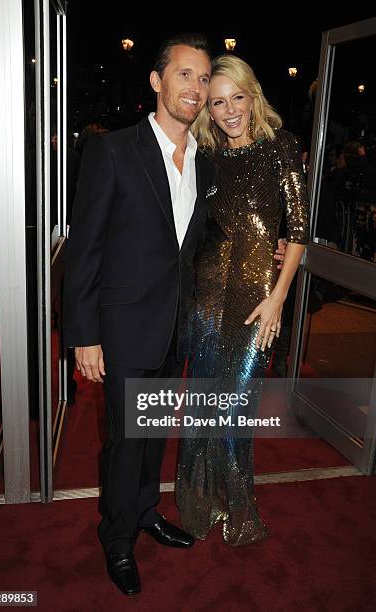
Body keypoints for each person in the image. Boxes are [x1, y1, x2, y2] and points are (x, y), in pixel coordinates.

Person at [63, 34, 213, 596]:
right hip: (122, 328)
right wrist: (84, 334)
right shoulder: (114, 150)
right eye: (184, 75)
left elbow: (195, 245)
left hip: (173, 327)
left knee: (152, 435)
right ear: (157, 81)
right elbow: (86, 250)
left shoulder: (206, 161)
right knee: (125, 440)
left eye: (203, 78)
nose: (195, 89)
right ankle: (118, 537)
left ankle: (147, 511)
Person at [176, 54, 309, 546]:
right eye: (218, 102)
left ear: (253, 98)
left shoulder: (281, 148)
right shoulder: (206, 157)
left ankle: (240, 508)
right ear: (208, 110)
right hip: (209, 296)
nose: (229, 110)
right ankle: (200, 502)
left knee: (236, 405)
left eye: (237, 98)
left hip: (259, 300)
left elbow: (298, 232)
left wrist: (278, 299)